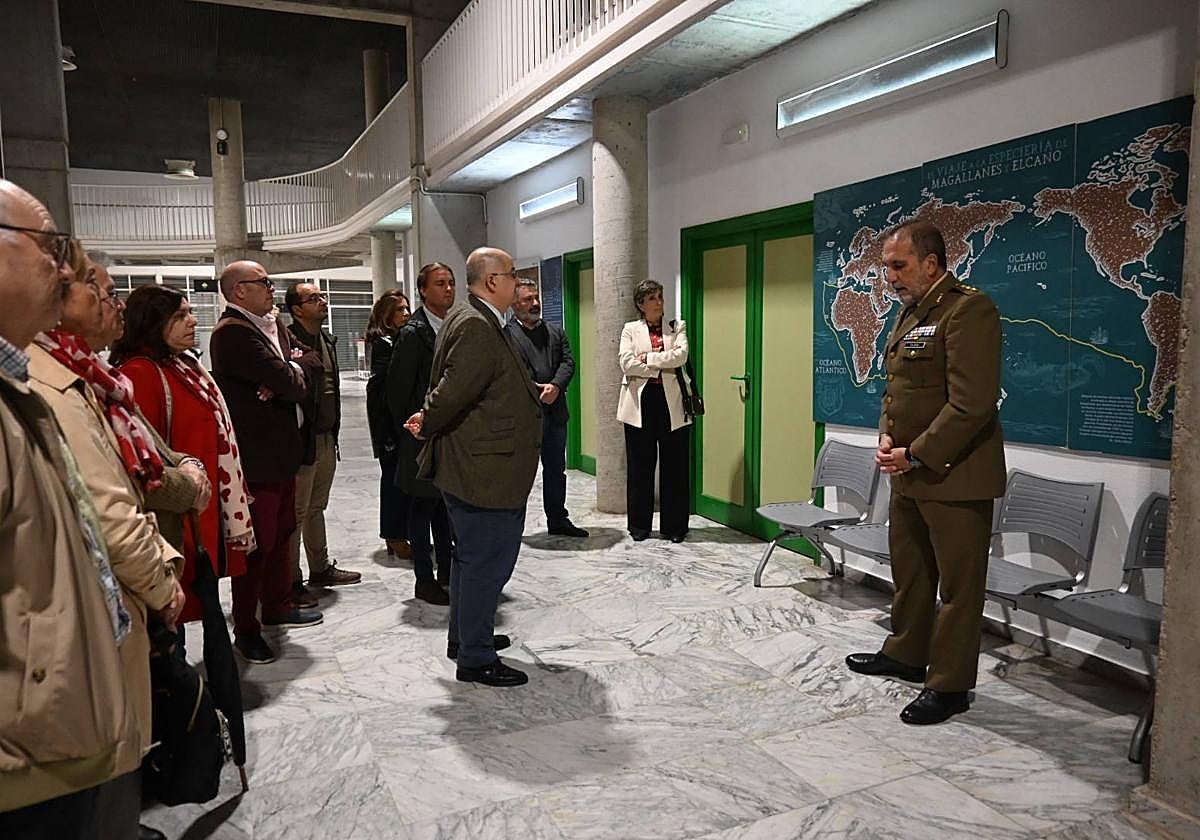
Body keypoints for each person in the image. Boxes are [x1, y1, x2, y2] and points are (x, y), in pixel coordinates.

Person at [27, 238, 187, 836]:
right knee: (104, 779)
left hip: (122, 593)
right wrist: (160, 579)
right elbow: (112, 512)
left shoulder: (90, 376)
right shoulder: (55, 387)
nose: (109, 301)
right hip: (91, 614)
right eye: (98, 288)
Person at [0, 180, 140, 837]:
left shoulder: (20, 385)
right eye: (50, 249)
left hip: (54, 727)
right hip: (28, 752)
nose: (62, 270)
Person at [845, 219, 1007, 726]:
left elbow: (972, 404)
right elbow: (901, 392)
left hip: (955, 476)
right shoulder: (912, 312)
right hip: (909, 470)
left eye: (899, 265)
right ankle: (907, 653)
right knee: (911, 572)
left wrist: (916, 454)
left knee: (959, 588)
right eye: (885, 266)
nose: (888, 276)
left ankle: (950, 684)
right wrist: (889, 440)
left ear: (931, 263)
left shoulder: (968, 309)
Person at [404, 247, 542, 687]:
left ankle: (465, 638)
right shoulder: (477, 326)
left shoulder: (476, 320)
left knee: (468, 561)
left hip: (481, 464)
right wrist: (427, 419)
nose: (518, 281)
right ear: (491, 282)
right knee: (486, 564)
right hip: (484, 471)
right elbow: (450, 391)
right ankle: (476, 658)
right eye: (512, 274)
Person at [111, 285, 257, 629]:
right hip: (179, 513)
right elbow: (148, 455)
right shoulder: (140, 372)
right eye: (179, 316)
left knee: (201, 598)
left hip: (204, 503)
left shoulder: (182, 363)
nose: (192, 321)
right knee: (176, 611)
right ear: (151, 323)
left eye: (190, 312)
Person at [210, 260, 324, 664]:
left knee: (281, 532)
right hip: (257, 457)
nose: (272, 289)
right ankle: (247, 628)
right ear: (240, 290)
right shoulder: (232, 333)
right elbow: (287, 382)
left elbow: (310, 361)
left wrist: (290, 368)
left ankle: (276, 605)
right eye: (264, 283)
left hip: (282, 451)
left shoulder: (269, 326)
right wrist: (286, 376)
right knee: (255, 546)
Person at [285, 280, 362, 607]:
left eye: (322, 296)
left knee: (317, 507)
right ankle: (290, 581)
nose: (322, 301)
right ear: (297, 309)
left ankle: (320, 568)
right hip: (302, 439)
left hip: (327, 436)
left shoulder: (326, 339)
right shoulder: (287, 340)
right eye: (313, 298)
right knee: (297, 512)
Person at [389, 263, 457, 605]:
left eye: (451, 283)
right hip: (420, 435)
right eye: (440, 283)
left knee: (444, 506)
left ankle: (446, 569)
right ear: (423, 290)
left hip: (446, 434)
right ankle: (423, 578)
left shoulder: (451, 326)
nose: (448, 289)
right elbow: (398, 391)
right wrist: (416, 424)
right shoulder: (413, 333)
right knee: (422, 507)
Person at [506, 277, 588, 538]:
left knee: (556, 470)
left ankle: (558, 519)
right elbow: (511, 372)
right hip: (526, 417)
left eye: (536, 298)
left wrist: (556, 387)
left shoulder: (555, 332)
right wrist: (538, 391)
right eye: (528, 299)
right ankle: (512, 525)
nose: (535, 303)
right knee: (519, 474)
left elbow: (568, 362)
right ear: (514, 304)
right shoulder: (507, 335)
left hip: (555, 414)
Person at [617, 279, 692, 542]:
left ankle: (675, 528)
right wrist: (662, 361)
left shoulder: (676, 326)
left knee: (675, 467)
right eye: (652, 298)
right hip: (640, 404)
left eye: (660, 297)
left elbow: (680, 356)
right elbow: (626, 363)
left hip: (672, 404)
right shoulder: (630, 330)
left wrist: (647, 359)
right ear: (641, 304)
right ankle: (639, 526)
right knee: (640, 467)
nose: (659, 302)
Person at [366, 289, 413, 558]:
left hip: (401, 423)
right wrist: (387, 431)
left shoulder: (399, 340)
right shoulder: (383, 344)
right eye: (400, 310)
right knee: (393, 482)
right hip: (389, 426)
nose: (406, 314)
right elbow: (382, 391)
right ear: (387, 315)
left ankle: (401, 532)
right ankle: (394, 535)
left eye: (407, 309)